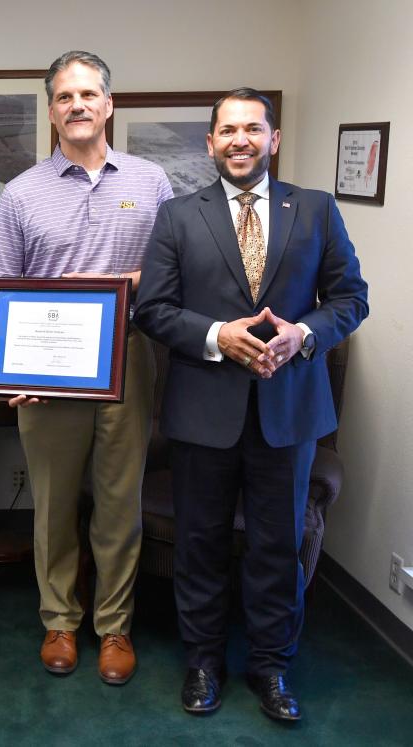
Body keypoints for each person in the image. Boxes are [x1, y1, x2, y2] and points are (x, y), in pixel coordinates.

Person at [134, 88, 368, 720]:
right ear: (210, 142)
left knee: (276, 546)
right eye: (227, 131)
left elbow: (351, 297)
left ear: (274, 138)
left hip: (288, 413)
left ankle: (271, 668)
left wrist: (303, 333)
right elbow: (151, 307)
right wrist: (218, 336)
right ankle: (204, 663)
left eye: (253, 129)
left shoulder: (316, 210)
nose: (240, 140)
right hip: (202, 411)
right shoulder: (179, 215)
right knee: (201, 544)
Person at [0, 51, 173, 682]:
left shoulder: (151, 182)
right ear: (52, 109)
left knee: (121, 502)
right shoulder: (22, 193)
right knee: (54, 503)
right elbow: (0, 287)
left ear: (110, 104)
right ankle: (59, 621)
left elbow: (175, 278)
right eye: (65, 97)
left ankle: (113, 628)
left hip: (130, 358)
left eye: (89, 94)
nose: (78, 106)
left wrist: (130, 280)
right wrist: (11, 372)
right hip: (47, 368)